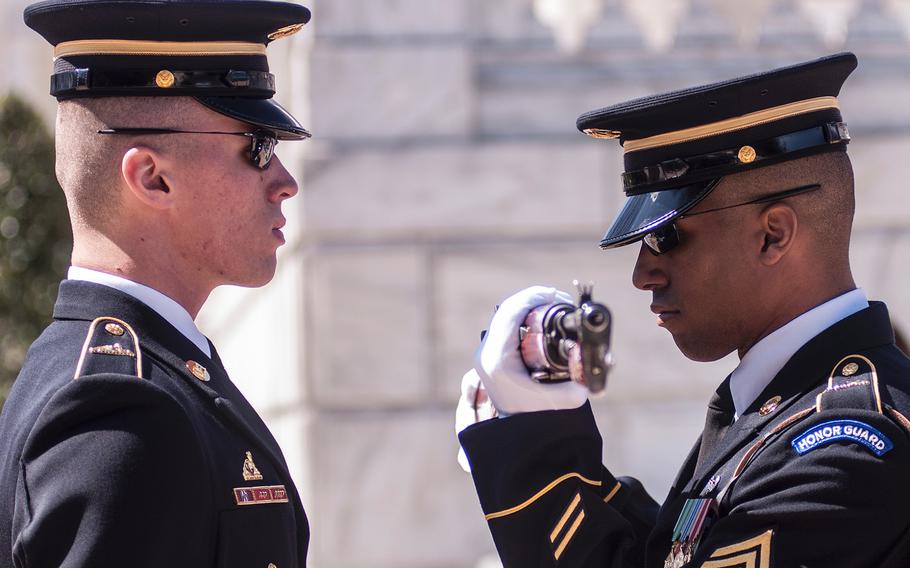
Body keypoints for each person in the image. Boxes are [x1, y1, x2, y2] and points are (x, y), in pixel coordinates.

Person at [456, 52, 910, 567]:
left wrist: (534, 467)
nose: (641, 274)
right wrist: (538, 440)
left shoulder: (846, 448)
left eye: (666, 237)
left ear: (772, 235)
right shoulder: (776, 410)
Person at [0, 1, 312, 566]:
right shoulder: (122, 413)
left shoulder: (143, 375)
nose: (285, 182)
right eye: (258, 147)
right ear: (152, 177)